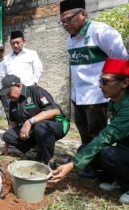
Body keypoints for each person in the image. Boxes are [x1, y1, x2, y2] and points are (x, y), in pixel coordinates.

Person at [59, 0, 128, 178]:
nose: (65, 25)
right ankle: (90, 166)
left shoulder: (101, 32)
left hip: (98, 96)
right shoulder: (70, 40)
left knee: (97, 134)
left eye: (68, 19)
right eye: (62, 22)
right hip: (79, 95)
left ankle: (103, 170)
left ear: (83, 14)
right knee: (84, 133)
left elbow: (121, 63)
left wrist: (116, 93)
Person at [50, 58, 129, 204]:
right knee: (85, 148)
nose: (101, 86)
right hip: (125, 149)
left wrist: (72, 164)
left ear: (124, 83)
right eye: (100, 81)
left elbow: (107, 135)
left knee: (107, 154)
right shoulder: (114, 101)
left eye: (105, 82)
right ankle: (118, 180)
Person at [0, 75, 70, 170]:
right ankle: (41, 150)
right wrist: (6, 146)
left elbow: (55, 111)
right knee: (8, 136)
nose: (8, 96)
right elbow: (13, 124)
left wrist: (29, 122)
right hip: (36, 128)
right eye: (6, 94)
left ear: (19, 86)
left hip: (58, 123)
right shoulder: (12, 102)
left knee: (40, 127)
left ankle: (50, 161)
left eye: (9, 92)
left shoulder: (35, 91)